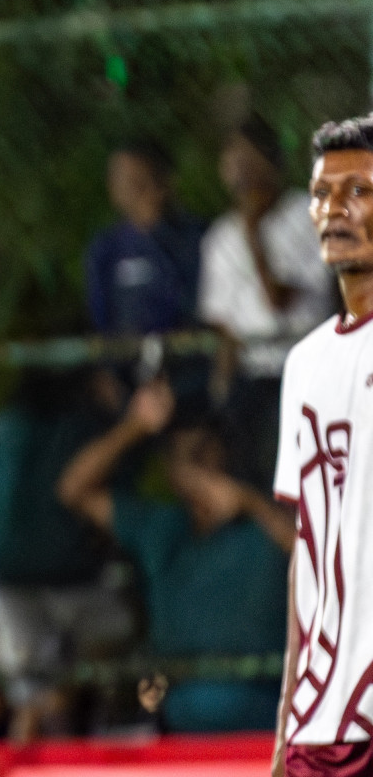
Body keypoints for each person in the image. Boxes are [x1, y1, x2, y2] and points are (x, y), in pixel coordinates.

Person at [58, 379, 293, 733]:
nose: (196, 469)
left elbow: (315, 550)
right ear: (169, 468)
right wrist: (135, 427)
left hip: (264, 713)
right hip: (178, 715)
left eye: (203, 452)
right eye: (183, 458)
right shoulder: (161, 527)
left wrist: (249, 502)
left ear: (223, 453)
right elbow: (73, 489)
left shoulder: (263, 523)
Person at [271, 114, 373, 776]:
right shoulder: (304, 364)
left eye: (359, 191)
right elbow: (307, 555)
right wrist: (283, 728)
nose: (334, 209)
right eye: (321, 193)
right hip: (319, 721)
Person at [0, 367, 135, 741]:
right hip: (47, 578)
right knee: (40, 701)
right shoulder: (77, 426)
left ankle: (57, 705)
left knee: (38, 699)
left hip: (17, 578)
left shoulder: (13, 423)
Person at [199, 115, 335, 487]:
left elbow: (278, 301)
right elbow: (223, 327)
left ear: (273, 161)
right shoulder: (219, 238)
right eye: (233, 163)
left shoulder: (309, 215)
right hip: (252, 373)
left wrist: (254, 233)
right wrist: (220, 397)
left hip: (303, 366)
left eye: (249, 160)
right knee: (231, 453)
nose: (241, 173)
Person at [85, 142, 205, 337]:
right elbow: (102, 321)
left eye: (137, 182)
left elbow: (195, 305)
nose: (128, 190)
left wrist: (155, 233)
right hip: (128, 359)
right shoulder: (106, 249)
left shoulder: (196, 237)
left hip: (186, 357)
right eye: (118, 180)